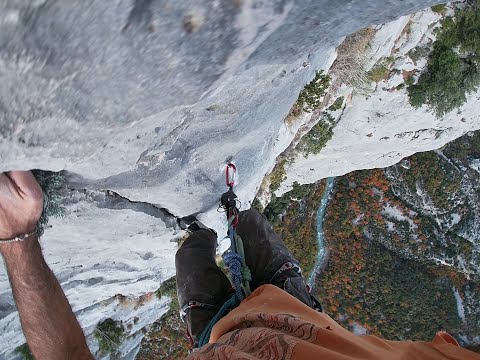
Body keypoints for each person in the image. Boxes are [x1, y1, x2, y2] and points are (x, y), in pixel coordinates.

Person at [0, 171, 478, 360]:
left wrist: (19, 237)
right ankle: (228, 215)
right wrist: (16, 237)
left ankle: (201, 228)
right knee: (249, 226)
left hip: (217, 334)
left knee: (192, 254)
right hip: (292, 307)